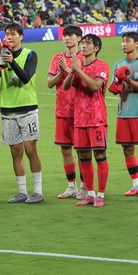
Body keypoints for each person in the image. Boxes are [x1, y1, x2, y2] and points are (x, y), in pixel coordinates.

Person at [0, 23, 44, 203]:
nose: (9, 37)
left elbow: (26, 77)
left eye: (13, 34)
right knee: (15, 151)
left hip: (27, 108)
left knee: (30, 149)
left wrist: (11, 60)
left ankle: (37, 191)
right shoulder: (1, 54)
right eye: (7, 35)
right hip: (7, 109)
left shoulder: (30, 54)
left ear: (21, 36)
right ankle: (22, 191)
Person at [63, 34, 110, 207]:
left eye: (88, 43)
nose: (83, 46)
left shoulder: (102, 66)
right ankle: (89, 193)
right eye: (83, 43)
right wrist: (73, 71)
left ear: (96, 48)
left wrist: (79, 70)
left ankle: (101, 194)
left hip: (96, 119)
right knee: (83, 156)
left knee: (99, 155)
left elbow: (95, 86)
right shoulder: (78, 66)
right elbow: (66, 86)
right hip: (80, 119)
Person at [111, 32, 138, 197]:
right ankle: (135, 185)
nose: (124, 44)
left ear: (136, 44)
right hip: (123, 113)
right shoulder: (118, 64)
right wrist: (117, 83)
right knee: (127, 150)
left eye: (128, 41)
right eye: (122, 41)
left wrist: (127, 80)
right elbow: (115, 89)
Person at [49, 25, 83, 199]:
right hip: (62, 109)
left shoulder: (84, 58)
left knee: (82, 149)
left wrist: (68, 71)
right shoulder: (57, 58)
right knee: (65, 149)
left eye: (70, 35)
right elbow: (49, 83)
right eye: (65, 35)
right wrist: (61, 72)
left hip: (81, 111)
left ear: (78, 38)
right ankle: (71, 186)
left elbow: (84, 81)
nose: (67, 38)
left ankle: (85, 186)